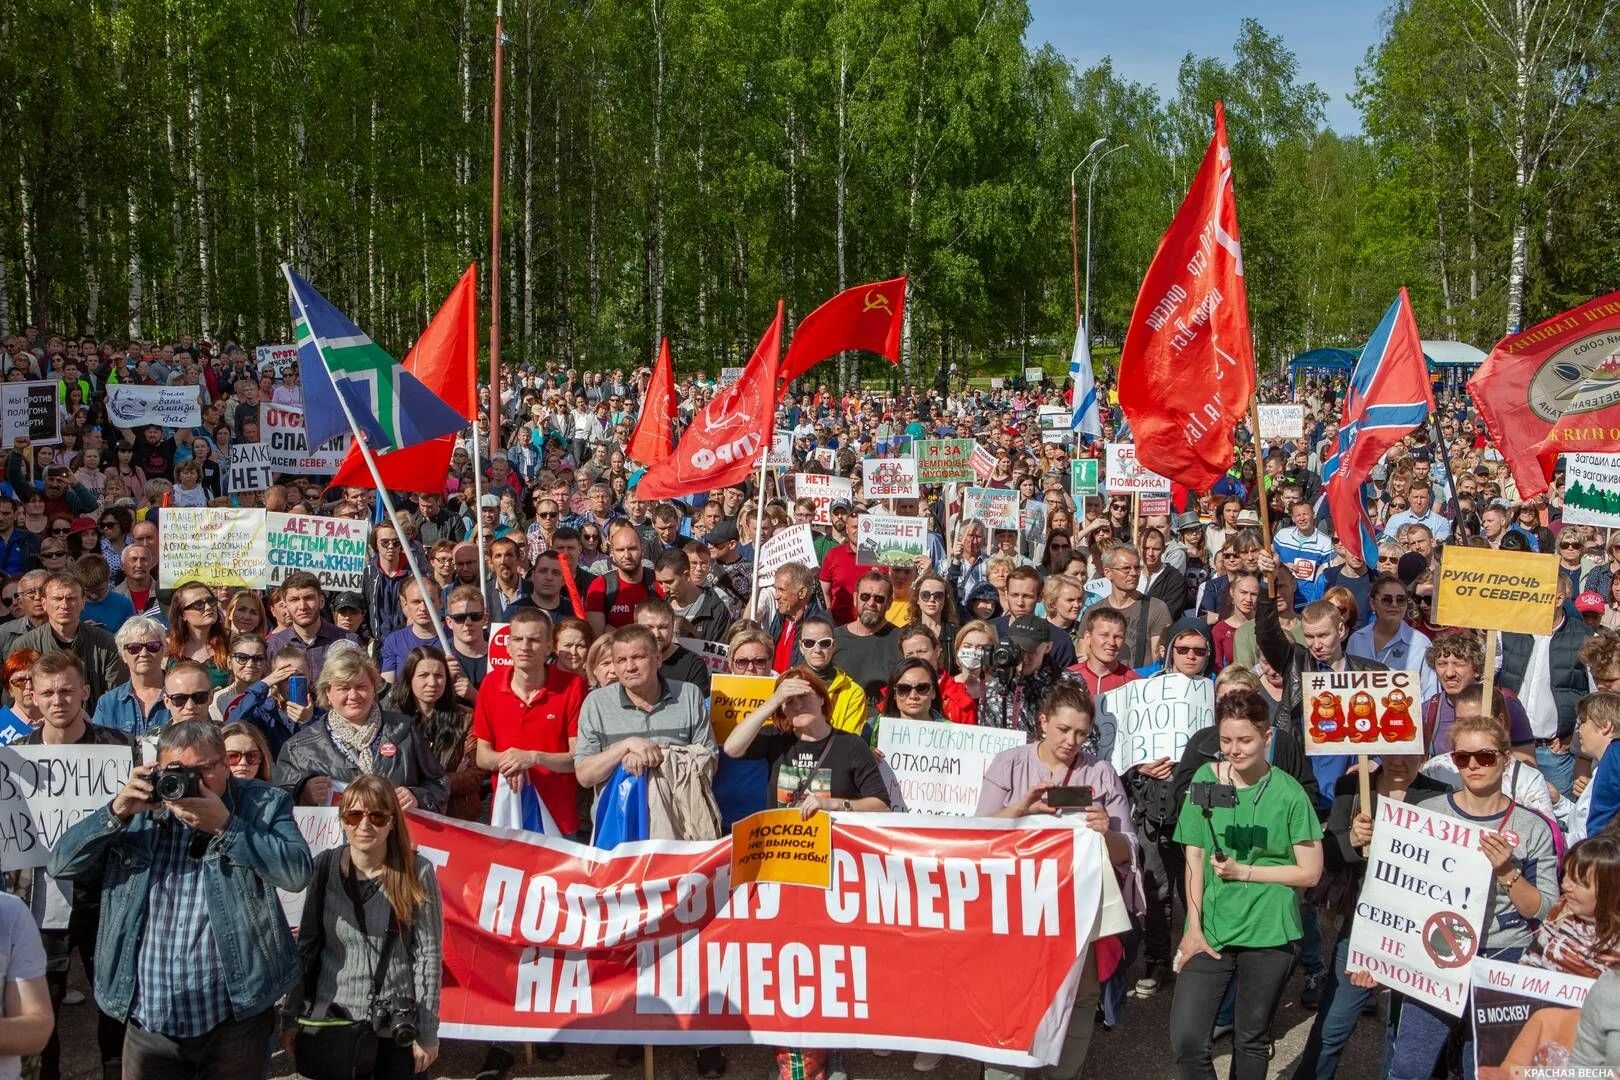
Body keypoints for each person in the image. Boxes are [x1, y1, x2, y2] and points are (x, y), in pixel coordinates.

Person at [47, 718, 313, 1079]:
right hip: (151, 1017)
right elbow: (61, 864)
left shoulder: (262, 803)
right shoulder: (141, 810)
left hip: (235, 1012)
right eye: (180, 771)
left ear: (225, 765)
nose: (193, 783)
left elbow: (297, 873)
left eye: (205, 770)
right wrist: (117, 811)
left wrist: (227, 826)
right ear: (159, 769)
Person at [1379, 710, 1559, 1079]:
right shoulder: (1427, 814)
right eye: (1463, 758)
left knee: (1482, 1069)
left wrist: (1508, 872)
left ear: (1505, 759)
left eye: (1485, 757)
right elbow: (1397, 890)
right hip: (1436, 953)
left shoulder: (1533, 826)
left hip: (1503, 957)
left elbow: (1546, 910)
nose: (1474, 765)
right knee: (1410, 1065)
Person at [976, 683, 1135, 1080]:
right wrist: (1019, 810)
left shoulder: (1099, 772)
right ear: (1043, 722)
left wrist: (1106, 832)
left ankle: (1064, 1072)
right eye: (1064, 730)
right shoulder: (1009, 763)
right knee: (1010, 997)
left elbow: (1128, 849)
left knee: (1079, 997)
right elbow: (977, 834)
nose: (1071, 741)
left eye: (1081, 733)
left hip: (1077, 909)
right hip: (1016, 908)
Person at [1169, 690, 1323, 1080]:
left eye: (1245, 740)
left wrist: (1247, 873)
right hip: (1214, 931)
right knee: (1187, 1039)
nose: (1234, 750)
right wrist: (1193, 929)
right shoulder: (1205, 780)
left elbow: (1310, 872)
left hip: (1269, 931)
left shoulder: (1290, 794)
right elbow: (1195, 857)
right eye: (1225, 741)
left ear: (1267, 738)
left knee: (1251, 1039)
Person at [1290, 752, 1447, 1080]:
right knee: (1333, 1024)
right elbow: (1327, 855)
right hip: (1365, 927)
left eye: (1410, 755)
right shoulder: (1352, 787)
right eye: (1393, 753)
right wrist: (1352, 839)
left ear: (1423, 754)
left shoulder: (1438, 795)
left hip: (1419, 933)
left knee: (1402, 1031)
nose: (1400, 762)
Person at [283, 776, 443, 1079]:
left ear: (392, 822)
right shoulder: (325, 866)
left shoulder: (416, 871)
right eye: (354, 815)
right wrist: (292, 1017)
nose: (364, 825)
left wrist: (427, 1031)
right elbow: (306, 947)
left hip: (396, 1022)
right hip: (334, 1019)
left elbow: (428, 956)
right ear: (343, 821)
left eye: (377, 816)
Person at [28, 651, 134, 1080]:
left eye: (67, 690)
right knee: (42, 1009)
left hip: (107, 894)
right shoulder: (14, 760)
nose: (59, 700)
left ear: (86, 692)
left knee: (114, 1005)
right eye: (48, 692)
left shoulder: (120, 748)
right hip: (39, 900)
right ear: (33, 697)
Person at [274, 644, 450, 812]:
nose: (353, 695)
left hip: (397, 838)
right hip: (337, 841)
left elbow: (439, 782)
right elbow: (279, 803)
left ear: (373, 688)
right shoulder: (300, 748)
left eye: (361, 687)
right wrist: (303, 794)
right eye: (344, 688)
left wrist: (417, 796)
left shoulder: (403, 729)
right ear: (328, 692)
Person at [721, 666, 889, 818]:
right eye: (789, 701)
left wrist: (833, 804)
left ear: (822, 698)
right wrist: (774, 700)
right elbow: (731, 748)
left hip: (832, 844)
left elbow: (882, 805)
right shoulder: (776, 737)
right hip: (781, 843)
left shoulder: (851, 744)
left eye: (804, 696)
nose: (798, 706)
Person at [473, 609, 585, 834]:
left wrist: (533, 758)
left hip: (559, 820)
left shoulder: (573, 686)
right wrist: (511, 761)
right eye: (517, 639)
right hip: (507, 816)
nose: (524, 646)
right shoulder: (490, 684)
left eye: (533, 640)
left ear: (549, 647)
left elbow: (578, 759)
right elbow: (482, 757)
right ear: (508, 646)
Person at [393, 647, 487, 822]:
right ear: (409, 678)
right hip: (405, 815)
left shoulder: (466, 718)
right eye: (423, 675)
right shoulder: (393, 721)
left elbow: (474, 773)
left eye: (439, 676)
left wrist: (426, 787)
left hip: (455, 816)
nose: (432, 682)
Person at [1522, 834, 1620, 978]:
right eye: (1566, 874)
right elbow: (1532, 958)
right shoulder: (1562, 908)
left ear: (1611, 890)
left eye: (1578, 881)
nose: (1565, 885)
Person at [1093, 544, 1172, 669]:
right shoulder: (1094, 611)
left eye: (1137, 568)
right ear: (1108, 572)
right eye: (1126, 568)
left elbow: (1159, 658)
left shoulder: (1157, 608)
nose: (1134, 573)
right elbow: (1084, 654)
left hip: (1141, 682)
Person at [90, 616, 169, 736]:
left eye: (152, 646)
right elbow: (100, 749)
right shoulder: (108, 703)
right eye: (134, 648)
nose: (144, 653)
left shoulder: (182, 697)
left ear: (163, 651)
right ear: (123, 655)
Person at [831, 571, 901, 702]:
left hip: (880, 718)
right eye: (865, 597)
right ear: (855, 598)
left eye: (879, 599)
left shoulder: (900, 640)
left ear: (889, 603)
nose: (871, 603)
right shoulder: (834, 638)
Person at [164, 582, 230, 686]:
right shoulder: (166, 648)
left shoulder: (230, 642)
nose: (208, 607)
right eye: (198, 604)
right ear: (182, 614)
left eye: (211, 601)